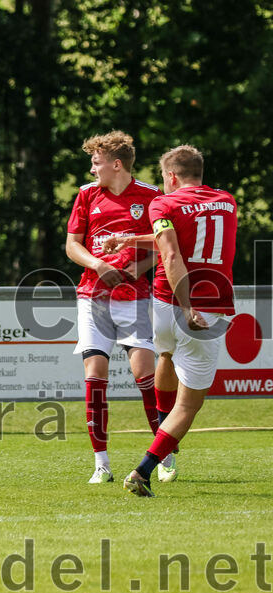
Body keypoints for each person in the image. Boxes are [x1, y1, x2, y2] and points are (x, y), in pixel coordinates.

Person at [112, 145, 237, 497]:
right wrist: (190, 307)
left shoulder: (163, 204)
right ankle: (144, 469)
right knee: (189, 405)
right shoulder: (227, 201)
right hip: (205, 307)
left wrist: (180, 305)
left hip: (166, 303)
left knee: (165, 356)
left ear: (170, 176)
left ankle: (164, 436)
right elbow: (177, 244)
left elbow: (170, 248)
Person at [64, 131, 165, 484]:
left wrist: (135, 269)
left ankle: (162, 458)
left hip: (135, 297)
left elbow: (164, 243)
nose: (92, 169)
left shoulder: (152, 196)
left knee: (145, 377)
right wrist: (98, 265)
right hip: (92, 296)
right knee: (95, 375)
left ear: (116, 164)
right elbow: (72, 246)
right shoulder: (86, 195)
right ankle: (101, 464)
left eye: (97, 162)